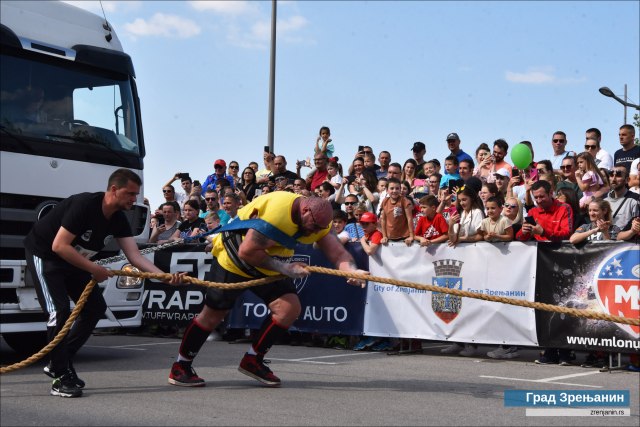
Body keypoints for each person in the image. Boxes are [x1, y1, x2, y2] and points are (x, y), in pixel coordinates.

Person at [167, 193, 368, 387]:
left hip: (270, 262)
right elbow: (247, 252)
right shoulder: (277, 214)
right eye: (313, 226)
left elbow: (337, 251)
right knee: (212, 315)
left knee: (288, 309)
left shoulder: (318, 221)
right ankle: (180, 366)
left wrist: (351, 270)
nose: (315, 232)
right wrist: (285, 268)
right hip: (235, 259)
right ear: (305, 210)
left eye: (320, 229)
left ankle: (253, 360)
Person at [24, 169, 185, 398]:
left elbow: (135, 256)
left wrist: (165, 277)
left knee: (95, 308)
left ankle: (60, 362)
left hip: (74, 259)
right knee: (58, 312)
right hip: (46, 255)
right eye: (130, 193)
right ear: (113, 190)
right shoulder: (84, 205)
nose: (133, 199)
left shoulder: (119, 218)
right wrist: (93, 269)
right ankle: (61, 376)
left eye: (136, 194)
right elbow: (59, 246)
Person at [379, 178, 415, 246]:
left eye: (397, 188)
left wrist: (411, 236)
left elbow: (409, 218)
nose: (394, 191)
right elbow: (383, 220)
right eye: (392, 188)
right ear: (387, 190)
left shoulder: (404, 201)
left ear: (400, 189)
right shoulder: (385, 201)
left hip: (404, 236)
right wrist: (384, 236)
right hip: (390, 236)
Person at [604, 166, 640, 230]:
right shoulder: (604, 201)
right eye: (611, 175)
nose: (613, 179)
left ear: (627, 180)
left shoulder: (635, 199)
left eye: (618, 175)